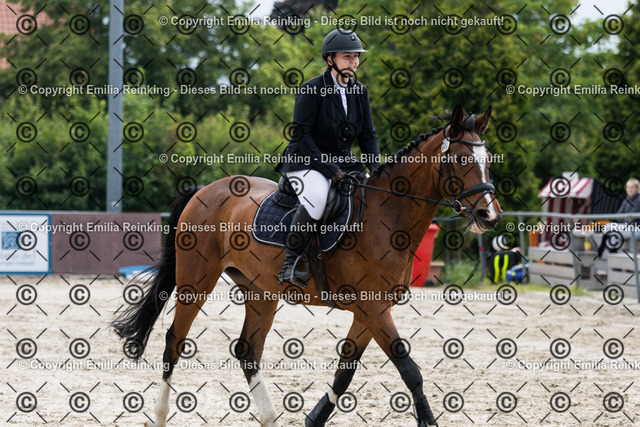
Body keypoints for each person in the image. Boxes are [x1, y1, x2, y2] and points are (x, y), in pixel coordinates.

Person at [275, 28, 381, 287]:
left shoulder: (360, 91)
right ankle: (290, 263)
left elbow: (368, 135)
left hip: (343, 162)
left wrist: (377, 169)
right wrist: (330, 170)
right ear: (330, 59)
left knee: (373, 194)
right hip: (304, 160)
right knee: (318, 198)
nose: (354, 62)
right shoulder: (312, 89)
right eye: (348, 57)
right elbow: (301, 136)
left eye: (356, 57)